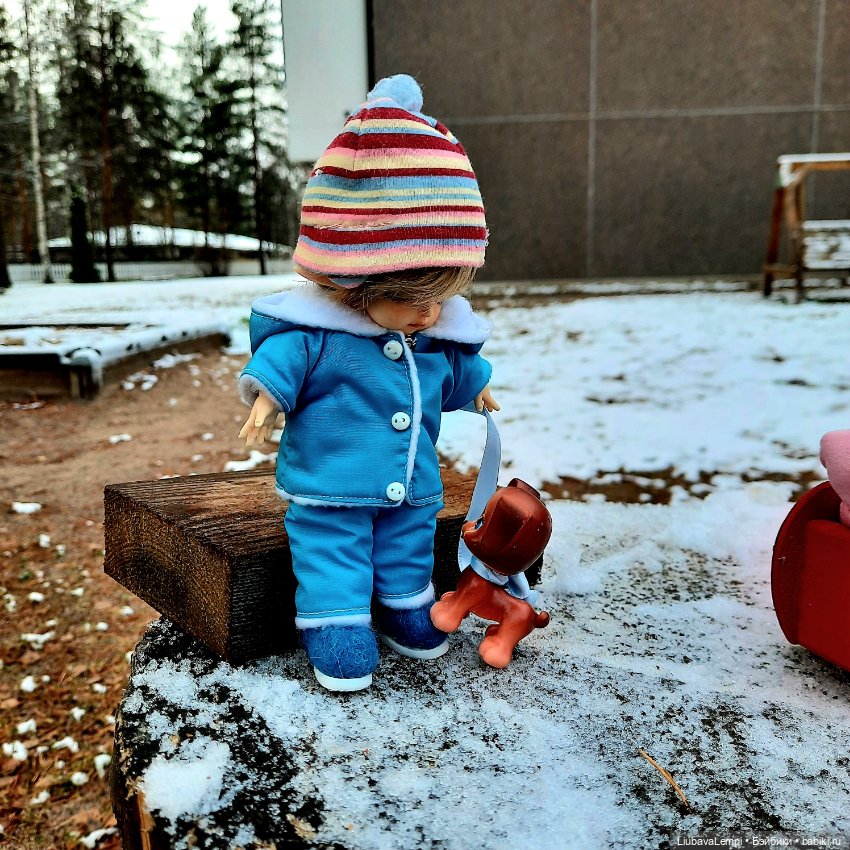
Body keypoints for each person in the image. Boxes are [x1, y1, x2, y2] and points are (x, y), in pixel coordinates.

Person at [237, 74, 498, 692]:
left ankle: (407, 605)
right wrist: (266, 402)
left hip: (410, 484)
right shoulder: (316, 334)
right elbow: (282, 364)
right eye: (410, 296)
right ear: (352, 278)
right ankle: (335, 621)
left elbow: (453, 370)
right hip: (331, 481)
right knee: (332, 548)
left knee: (406, 542)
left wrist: (478, 384)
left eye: (439, 296)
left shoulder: (429, 336)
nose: (427, 314)